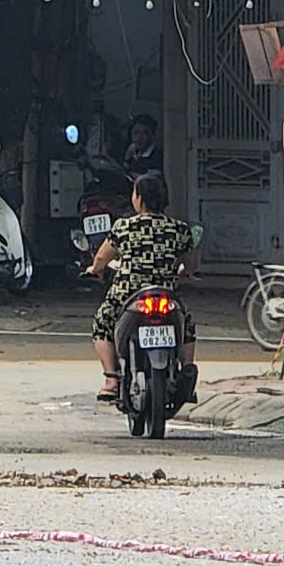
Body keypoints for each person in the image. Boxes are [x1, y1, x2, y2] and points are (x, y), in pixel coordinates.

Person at [86, 171, 198, 403]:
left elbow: (101, 259)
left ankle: (111, 379)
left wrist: (94, 270)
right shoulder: (179, 229)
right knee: (186, 324)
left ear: (139, 198)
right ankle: (187, 368)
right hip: (166, 293)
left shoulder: (123, 227)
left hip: (129, 293)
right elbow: (190, 264)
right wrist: (183, 272)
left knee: (101, 322)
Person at [121, 114, 165, 182]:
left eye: (145, 133)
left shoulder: (157, 157)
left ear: (152, 136)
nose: (139, 138)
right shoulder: (131, 152)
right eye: (136, 132)